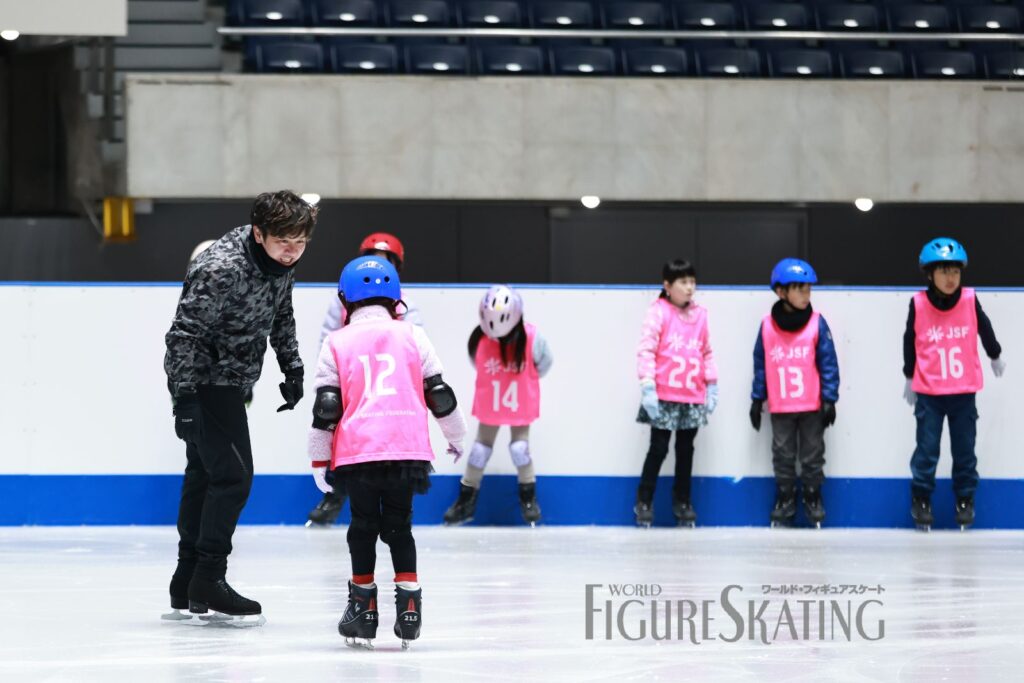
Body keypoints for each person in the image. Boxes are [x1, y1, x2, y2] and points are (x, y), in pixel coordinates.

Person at [163, 190, 316, 624]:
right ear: (259, 233)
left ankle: (187, 579)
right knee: (233, 477)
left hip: (232, 381)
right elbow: (183, 336)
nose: (292, 252)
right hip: (206, 382)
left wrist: (292, 367)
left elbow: (281, 313)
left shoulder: (280, 261)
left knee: (205, 475)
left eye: (301, 242)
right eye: (284, 241)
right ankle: (209, 577)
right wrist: (185, 398)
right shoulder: (222, 268)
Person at [307, 255, 466, 648]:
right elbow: (439, 394)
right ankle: (409, 607)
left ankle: (363, 612)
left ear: (345, 300)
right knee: (399, 527)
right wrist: (456, 436)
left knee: (363, 527)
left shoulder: (336, 341)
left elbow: (327, 407)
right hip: (406, 449)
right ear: (396, 296)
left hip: (358, 451)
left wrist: (319, 458)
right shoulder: (413, 334)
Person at [307, 232, 422, 527]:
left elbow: (416, 347)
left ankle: (394, 503)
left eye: (385, 263)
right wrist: (331, 379)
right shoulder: (343, 300)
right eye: (372, 262)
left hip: (389, 384)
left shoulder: (404, 303)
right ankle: (335, 494)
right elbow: (327, 339)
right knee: (339, 432)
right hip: (354, 379)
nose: (378, 271)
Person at [903, 237, 1004, 531]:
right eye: (944, 271)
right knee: (927, 449)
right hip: (929, 392)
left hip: (963, 391)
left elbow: (984, 327)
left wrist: (995, 354)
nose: (951, 278)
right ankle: (921, 497)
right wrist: (909, 374)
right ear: (930, 274)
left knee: (964, 450)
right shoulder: (919, 304)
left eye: (956, 271)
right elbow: (909, 338)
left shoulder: (970, 299)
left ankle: (964, 498)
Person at [443, 285, 553, 527]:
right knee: (479, 450)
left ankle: (528, 498)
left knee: (520, 448)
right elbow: (478, 362)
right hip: (491, 402)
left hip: (519, 400)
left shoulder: (532, 338)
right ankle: (466, 500)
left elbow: (544, 363)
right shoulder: (480, 339)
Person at [750, 258, 840, 529]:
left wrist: (829, 399)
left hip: (811, 405)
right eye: (799, 289)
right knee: (783, 455)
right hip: (781, 406)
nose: (805, 294)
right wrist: (757, 398)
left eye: (808, 289)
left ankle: (813, 496)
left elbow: (828, 362)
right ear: (781, 292)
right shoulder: (767, 326)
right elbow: (761, 364)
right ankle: (785, 497)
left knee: (813, 455)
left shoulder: (816, 323)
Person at [634, 259, 718, 528]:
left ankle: (682, 501)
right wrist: (648, 385)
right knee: (658, 449)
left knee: (685, 450)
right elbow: (646, 349)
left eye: (692, 281)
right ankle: (644, 500)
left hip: (691, 395)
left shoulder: (701, 315)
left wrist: (712, 384)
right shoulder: (658, 312)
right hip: (663, 395)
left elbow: (706, 351)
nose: (690, 287)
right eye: (683, 282)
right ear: (668, 286)